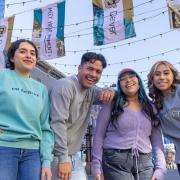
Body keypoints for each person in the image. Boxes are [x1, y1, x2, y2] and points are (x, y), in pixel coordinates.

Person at [50, 52, 115, 180]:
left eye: (98, 72)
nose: (93, 75)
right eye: (90, 69)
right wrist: (63, 158)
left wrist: (111, 90)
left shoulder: (91, 91)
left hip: (74, 156)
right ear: (79, 68)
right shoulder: (65, 86)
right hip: (54, 156)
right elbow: (57, 123)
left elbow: (112, 93)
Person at [92, 68, 166, 180]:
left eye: (132, 76)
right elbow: (98, 136)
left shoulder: (151, 108)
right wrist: (96, 165)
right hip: (115, 162)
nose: (128, 80)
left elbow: (157, 142)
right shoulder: (112, 104)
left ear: (138, 81)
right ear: (119, 85)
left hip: (145, 164)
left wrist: (161, 168)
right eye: (123, 79)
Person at [0, 39, 54, 180]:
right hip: (4, 147)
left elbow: (45, 128)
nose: (29, 56)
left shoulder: (41, 89)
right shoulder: (2, 76)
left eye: (32, 53)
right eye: (23, 51)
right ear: (12, 57)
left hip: (33, 154)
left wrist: (47, 162)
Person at [147, 60, 180, 174]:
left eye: (166, 73)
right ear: (152, 79)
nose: (161, 77)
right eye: (157, 74)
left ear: (173, 76)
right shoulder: (155, 105)